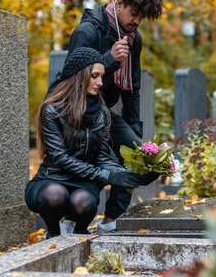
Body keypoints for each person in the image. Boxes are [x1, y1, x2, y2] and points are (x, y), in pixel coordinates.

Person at [63, 0, 164, 232]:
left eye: (142, 16)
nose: (137, 21)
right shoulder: (87, 31)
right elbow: (71, 80)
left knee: (138, 156)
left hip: (107, 113)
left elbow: (132, 89)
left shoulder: (134, 39)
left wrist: (135, 128)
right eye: (134, 13)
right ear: (119, 3)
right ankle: (71, 220)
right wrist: (109, 59)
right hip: (79, 114)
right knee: (93, 162)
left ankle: (111, 221)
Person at [26, 47, 153, 237]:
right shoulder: (52, 109)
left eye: (101, 76)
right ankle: (53, 234)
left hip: (84, 183)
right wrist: (107, 176)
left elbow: (102, 156)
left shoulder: (100, 112)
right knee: (55, 195)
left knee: (83, 202)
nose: (101, 82)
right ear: (79, 76)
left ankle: (80, 233)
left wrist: (128, 174)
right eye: (94, 76)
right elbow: (60, 158)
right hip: (53, 178)